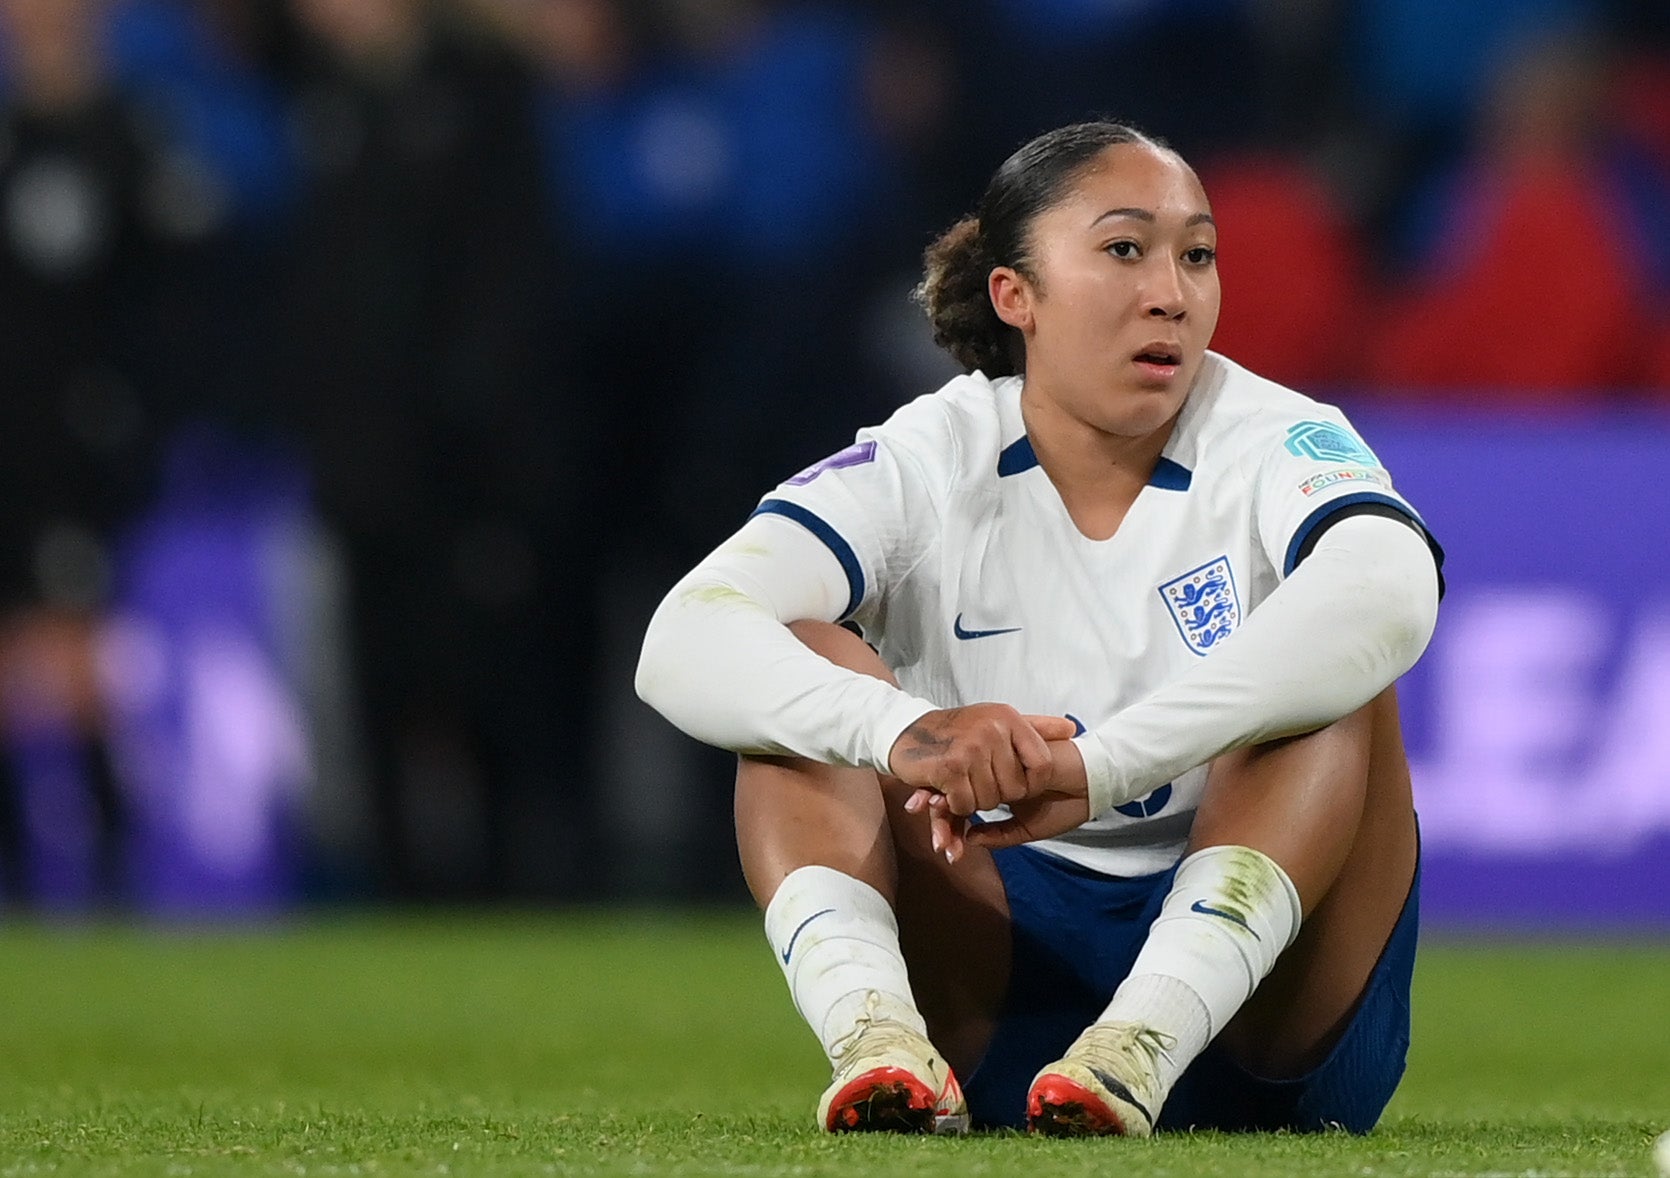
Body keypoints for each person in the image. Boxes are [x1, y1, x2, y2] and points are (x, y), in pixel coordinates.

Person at [636, 121, 1444, 1137]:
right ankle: (875, 1040)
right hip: (993, 1000)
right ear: (1015, 295)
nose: (1171, 292)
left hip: (1264, 1020)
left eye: (1196, 254)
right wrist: (903, 732)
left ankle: (1140, 1039)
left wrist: (1102, 766)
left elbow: (1388, 587)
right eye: (1123, 249)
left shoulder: (1275, 432)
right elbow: (683, 636)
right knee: (799, 667)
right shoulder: (928, 454)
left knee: (1329, 665)